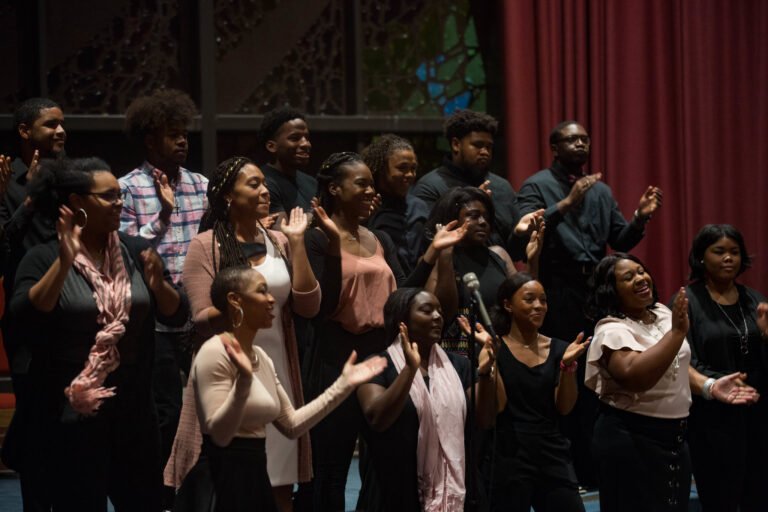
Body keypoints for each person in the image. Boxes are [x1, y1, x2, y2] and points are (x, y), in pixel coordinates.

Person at [8, 157, 188, 510]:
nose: (119, 202)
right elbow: (24, 319)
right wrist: (64, 261)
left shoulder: (135, 251)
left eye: (120, 195)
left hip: (133, 411)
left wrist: (157, 285)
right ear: (77, 202)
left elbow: (176, 311)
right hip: (69, 413)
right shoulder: (42, 257)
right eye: (108, 196)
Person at [297, 152, 465, 511]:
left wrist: (433, 253)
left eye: (372, 184)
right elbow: (321, 308)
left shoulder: (378, 239)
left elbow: (400, 298)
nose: (371, 191)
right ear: (334, 189)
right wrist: (330, 247)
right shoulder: (314, 239)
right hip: (336, 359)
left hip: (381, 357)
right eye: (362, 183)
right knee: (331, 471)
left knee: (390, 465)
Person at [166, 156, 319, 511]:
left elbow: (309, 307)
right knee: (229, 485)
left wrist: (297, 243)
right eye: (253, 184)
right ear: (227, 196)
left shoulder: (279, 240)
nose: (264, 190)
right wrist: (245, 304)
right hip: (228, 369)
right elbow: (202, 318)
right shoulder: (205, 245)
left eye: (264, 183)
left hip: (277, 367)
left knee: (280, 482)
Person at [515, 120, 662, 487]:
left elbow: (620, 240)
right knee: (566, 374)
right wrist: (567, 203)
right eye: (571, 139)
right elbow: (524, 233)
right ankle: (565, 467)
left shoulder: (601, 191)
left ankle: (593, 465)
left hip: (596, 290)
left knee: (597, 377)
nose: (580, 145)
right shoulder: (537, 185)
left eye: (584, 139)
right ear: (554, 146)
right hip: (557, 289)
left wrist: (640, 217)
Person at [191, 265, 387, 512]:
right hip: (220, 481)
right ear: (235, 300)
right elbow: (219, 435)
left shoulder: (261, 356)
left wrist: (343, 385)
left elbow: (292, 425)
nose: (272, 299)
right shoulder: (214, 352)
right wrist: (243, 381)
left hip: (256, 476)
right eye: (262, 291)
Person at [585, 252, 759, 512]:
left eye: (641, 270)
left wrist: (709, 386)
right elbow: (635, 377)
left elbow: (676, 365)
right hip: (631, 438)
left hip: (674, 437)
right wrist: (677, 333)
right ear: (612, 290)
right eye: (628, 277)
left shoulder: (662, 313)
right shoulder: (611, 330)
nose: (641, 278)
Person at [118, 89, 208, 495]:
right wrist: (165, 215)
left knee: (204, 406)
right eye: (173, 135)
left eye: (184, 134)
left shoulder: (202, 185)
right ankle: (163, 492)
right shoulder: (127, 188)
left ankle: (196, 489)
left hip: (199, 312)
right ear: (151, 140)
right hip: (153, 316)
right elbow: (128, 247)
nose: (183, 141)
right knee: (164, 410)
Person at [356, 288, 499, 512]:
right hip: (394, 490)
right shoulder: (376, 364)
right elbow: (377, 419)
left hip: (456, 489)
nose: (438, 316)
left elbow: (486, 419)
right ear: (402, 320)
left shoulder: (459, 366)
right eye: (427, 310)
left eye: (440, 311)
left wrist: (485, 372)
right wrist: (410, 370)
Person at [679, 224, 768, 511]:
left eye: (735, 252)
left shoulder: (754, 299)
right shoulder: (688, 302)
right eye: (719, 251)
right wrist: (719, 382)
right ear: (702, 258)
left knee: (757, 492)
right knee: (721, 497)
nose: (728, 258)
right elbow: (683, 360)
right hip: (712, 414)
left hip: (757, 411)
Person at [485, 273, 587, 512]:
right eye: (529, 299)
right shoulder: (494, 347)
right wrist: (489, 363)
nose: (539, 306)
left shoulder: (560, 348)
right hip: (510, 454)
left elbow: (565, 407)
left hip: (552, 452)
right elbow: (496, 406)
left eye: (543, 300)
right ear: (508, 305)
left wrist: (567, 367)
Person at [424, 186, 542, 355]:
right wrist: (445, 256)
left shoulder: (498, 254)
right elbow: (444, 312)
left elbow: (525, 303)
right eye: (473, 216)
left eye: (486, 216)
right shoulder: (434, 259)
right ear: (452, 220)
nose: (483, 222)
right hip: (462, 353)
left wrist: (532, 260)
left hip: (503, 348)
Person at [411, 109, 520, 249]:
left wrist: (521, 233)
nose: (485, 152)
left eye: (489, 147)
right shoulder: (430, 186)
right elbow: (426, 244)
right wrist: (473, 205)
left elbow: (515, 250)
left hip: (499, 267)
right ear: (456, 144)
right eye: (478, 145)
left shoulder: (502, 187)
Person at [362, 133, 430, 274]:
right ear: (381, 169)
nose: (410, 174)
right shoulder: (366, 207)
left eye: (413, 168)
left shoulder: (419, 207)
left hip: (417, 285)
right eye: (402, 168)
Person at [258, 107, 316, 225]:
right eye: (295, 138)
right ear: (271, 146)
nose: (306, 144)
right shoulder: (263, 183)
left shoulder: (311, 182)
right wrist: (315, 213)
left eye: (307, 138)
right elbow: (282, 237)